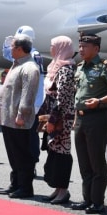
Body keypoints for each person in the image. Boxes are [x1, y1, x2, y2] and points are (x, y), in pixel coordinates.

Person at [71, 34, 107, 215]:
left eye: (85, 46)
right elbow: (79, 94)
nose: (81, 49)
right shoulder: (80, 67)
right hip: (81, 118)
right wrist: (76, 118)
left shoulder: (104, 67)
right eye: (80, 46)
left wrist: (100, 101)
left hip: (98, 117)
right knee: (84, 162)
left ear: (96, 49)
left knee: (96, 161)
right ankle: (88, 199)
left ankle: (98, 202)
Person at [0, 33, 40, 198]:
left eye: (12, 46)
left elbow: (28, 95)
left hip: (19, 120)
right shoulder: (16, 65)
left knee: (23, 155)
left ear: (20, 49)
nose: (9, 49)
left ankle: (25, 187)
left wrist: (22, 114)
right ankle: (15, 183)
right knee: (13, 154)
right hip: (9, 119)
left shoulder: (29, 67)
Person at [3, 26, 45, 169]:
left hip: (31, 103)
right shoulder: (22, 56)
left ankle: (31, 163)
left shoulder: (34, 55)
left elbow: (35, 82)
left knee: (29, 138)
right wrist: (6, 44)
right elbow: (7, 55)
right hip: (21, 103)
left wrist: (36, 104)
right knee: (18, 142)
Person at [41, 36, 76, 205]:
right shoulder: (55, 67)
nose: (50, 48)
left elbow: (63, 99)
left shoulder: (66, 70)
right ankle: (57, 189)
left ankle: (63, 190)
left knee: (62, 154)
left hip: (62, 119)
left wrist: (53, 120)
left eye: (53, 45)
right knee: (53, 152)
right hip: (53, 117)